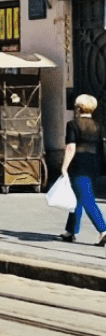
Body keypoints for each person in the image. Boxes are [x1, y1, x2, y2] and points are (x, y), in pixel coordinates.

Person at [62, 93, 106, 244]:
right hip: (93, 163)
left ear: (78, 108)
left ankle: (103, 230)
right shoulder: (98, 126)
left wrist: (64, 167)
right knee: (78, 197)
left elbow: (71, 147)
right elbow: (100, 148)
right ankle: (70, 231)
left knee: (87, 199)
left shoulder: (73, 125)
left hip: (79, 164)